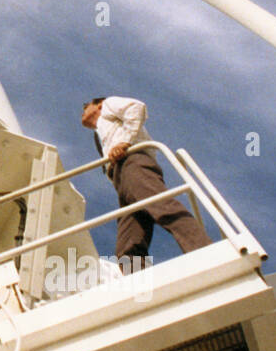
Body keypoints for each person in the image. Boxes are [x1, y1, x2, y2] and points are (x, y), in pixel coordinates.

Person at [80, 96, 210, 271]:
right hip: (122, 179)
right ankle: (137, 282)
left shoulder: (109, 105)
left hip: (133, 164)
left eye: (85, 107)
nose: (83, 112)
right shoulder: (100, 135)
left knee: (162, 207)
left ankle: (203, 251)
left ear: (99, 105)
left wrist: (124, 142)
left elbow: (136, 107)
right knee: (128, 243)